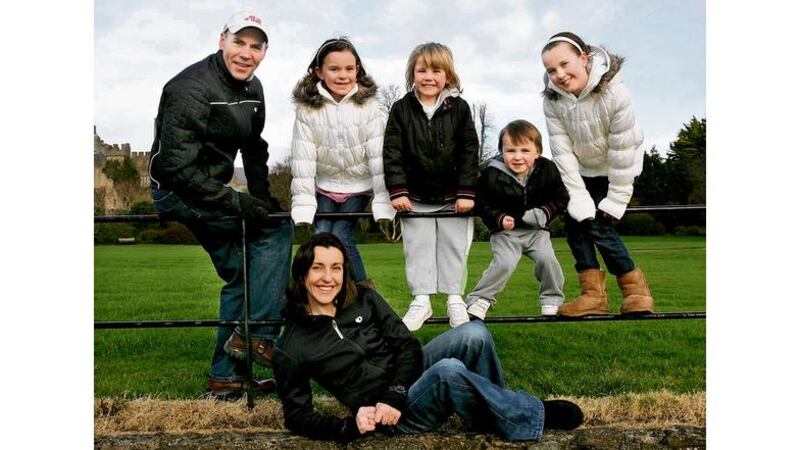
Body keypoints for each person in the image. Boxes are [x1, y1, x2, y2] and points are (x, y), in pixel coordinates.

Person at [272, 233, 584, 442]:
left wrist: (395, 390)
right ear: (302, 274)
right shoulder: (291, 347)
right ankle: (525, 414)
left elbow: (407, 344)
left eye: (336, 268)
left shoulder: (363, 298)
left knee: (474, 332)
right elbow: (297, 417)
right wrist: (347, 426)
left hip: (404, 382)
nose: (328, 278)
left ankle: (498, 411)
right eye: (318, 268)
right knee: (448, 371)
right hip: (393, 415)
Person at [148, 12, 292, 397]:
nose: (246, 53)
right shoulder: (190, 88)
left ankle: (225, 379)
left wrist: (262, 197)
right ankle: (257, 336)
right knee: (272, 236)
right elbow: (177, 167)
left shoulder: (253, 88)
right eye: (239, 42)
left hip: (209, 187)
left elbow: (254, 146)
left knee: (246, 271)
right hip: (177, 191)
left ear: (264, 52)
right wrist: (237, 202)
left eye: (255, 46)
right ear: (221, 40)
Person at [540, 31, 654, 317]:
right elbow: (562, 151)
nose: (560, 74)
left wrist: (616, 198)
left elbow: (622, 150)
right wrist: (577, 196)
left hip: (618, 165)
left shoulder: (616, 92)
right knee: (577, 227)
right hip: (581, 170)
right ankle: (593, 296)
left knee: (600, 227)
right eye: (551, 70)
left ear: (584, 58)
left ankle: (636, 292)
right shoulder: (552, 100)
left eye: (565, 64)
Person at [382, 42, 479, 331]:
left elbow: (469, 150)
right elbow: (392, 151)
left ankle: (454, 300)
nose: (428, 76)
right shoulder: (401, 109)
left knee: (453, 248)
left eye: (436, 70)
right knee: (418, 249)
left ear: (447, 76)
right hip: (413, 197)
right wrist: (397, 190)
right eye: (421, 69)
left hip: (453, 198)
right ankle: (421, 300)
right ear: (412, 73)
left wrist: (466, 192)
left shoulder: (459, 108)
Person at [290, 37, 395, 289]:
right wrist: (304, 205)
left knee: (340, 234)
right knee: (320, 235)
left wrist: (383, 203)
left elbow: (378, 157)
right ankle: (318, 293)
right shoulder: (307, 110)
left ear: (357, 70)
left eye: (349, 69)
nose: (343, 75)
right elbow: (302, 159)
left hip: (359, 186)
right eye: (334, 69)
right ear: (319, 72)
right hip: (325, 185)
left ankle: (364, 292)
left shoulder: (369, 107)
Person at [465, 120, 569, 319]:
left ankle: (551, 299)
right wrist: (499, 217)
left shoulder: (547, 169)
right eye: (511, 151)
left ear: (537, 152)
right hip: (506, 232)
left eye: (525, 150)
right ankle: (480, 299)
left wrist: (543, 213)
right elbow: (481, 202)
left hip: (537, 231)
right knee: (505, 263)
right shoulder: (490, 172)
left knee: (547, 260)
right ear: (501, 151)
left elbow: (561, 198)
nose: (518, 157)